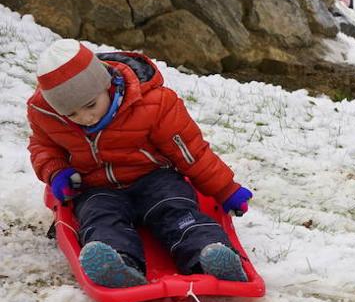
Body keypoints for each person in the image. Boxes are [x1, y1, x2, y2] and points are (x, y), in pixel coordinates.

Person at [27, 40, 253, 288]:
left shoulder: (153, 104)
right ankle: (117, 265)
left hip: (155, 178)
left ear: (107, 85)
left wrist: (226, 189)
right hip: (95, 187)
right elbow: (43, 147)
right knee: (100, 220)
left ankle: (208, 256)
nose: (85, 117)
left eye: (91, 105)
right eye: (71, 114)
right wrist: (57, 172)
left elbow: (191, 151)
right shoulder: (45, 115)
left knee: (177, 212)